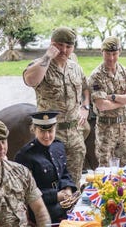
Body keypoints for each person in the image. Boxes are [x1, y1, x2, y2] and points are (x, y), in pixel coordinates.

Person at [23, 27, 91, 186]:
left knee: (73, 183)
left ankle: (72, 209)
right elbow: (30, 80)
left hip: (74, 135)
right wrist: (48, 56)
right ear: (52, 44)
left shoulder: (75, 68)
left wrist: (85, 107)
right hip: (49, 136)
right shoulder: (41, 64)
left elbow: (86, 88)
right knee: (49, 184)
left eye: (68, 46)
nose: (64, 50)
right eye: (59, 45)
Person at [14, 111, 78, 223]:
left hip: (65, 203)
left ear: (55, 129)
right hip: (44, 211)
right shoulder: (25, 156)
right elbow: (26, 193)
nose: (47, 136)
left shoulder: (58, 146)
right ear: (34, 130)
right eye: (42, 131)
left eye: (50, 131)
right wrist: (55, 196)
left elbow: (64, 173)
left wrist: (68, 188)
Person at [88, 36, 126, 167]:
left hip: (124, 127)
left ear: (120, 52)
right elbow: (102, 105)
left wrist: (113, 97)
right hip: (105, 129)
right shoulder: (96, 76)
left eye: (114, 54)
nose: (111, 58)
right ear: (102, 52)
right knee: (105, 170)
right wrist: (125, 99)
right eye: (108, 54)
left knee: (125, 167)